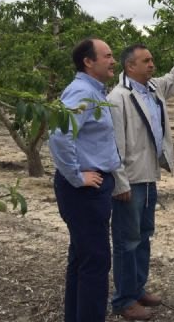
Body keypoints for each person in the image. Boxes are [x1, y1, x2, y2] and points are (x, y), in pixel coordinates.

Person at [108, 29, 174, 320]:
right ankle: (123, 300)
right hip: (130, 179)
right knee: (126, 241)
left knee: (144, 236)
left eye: (152, 60)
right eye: (146, 61)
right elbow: (115, 145)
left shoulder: (153, 88)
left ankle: (137, 288)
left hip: (148, 176)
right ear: (130, 66)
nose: (152, 64)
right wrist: (119, 182)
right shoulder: (118, 98)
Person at [48, 38, 121, 322]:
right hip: (84, 192)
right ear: (88, 62)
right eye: (108, 55)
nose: (113, 60)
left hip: (91, 188)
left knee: (82, 258)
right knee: (96, 261)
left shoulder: (92, 91)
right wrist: (77, 176)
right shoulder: (81, 92)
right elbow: (58, 134)